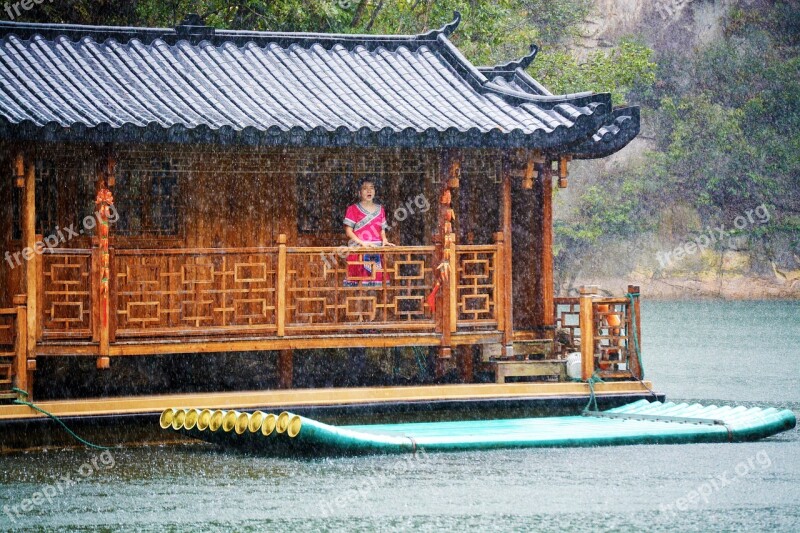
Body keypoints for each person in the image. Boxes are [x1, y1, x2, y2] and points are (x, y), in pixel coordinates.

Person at [343, 179, 394, 287]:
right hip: (358, 251)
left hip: (376, 252)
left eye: (371, 188)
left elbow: (382, 229)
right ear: (359, 192)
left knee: (378, 289)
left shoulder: (380, 209)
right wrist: (362, 243)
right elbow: (348, 231)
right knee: (359, 289)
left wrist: (384, 240)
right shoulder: (352, 209)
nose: (369, 191)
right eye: (365, 188)